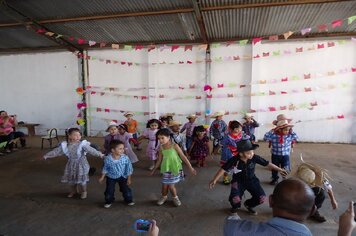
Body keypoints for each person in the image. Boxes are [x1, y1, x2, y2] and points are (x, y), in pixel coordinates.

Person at [209, 139, 288, 215]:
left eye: (252, 152)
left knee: (262, 198)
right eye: (249, 153)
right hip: (237, 181)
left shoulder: (254, 157)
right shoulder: (234, 160)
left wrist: (279, 169)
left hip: (252, 180)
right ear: (240, 153)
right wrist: (214, 179)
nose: (252, 154)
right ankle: (235, 207)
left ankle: (249, 204)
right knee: (235, 198)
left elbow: (267, 164)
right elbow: (223, 169)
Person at [223, 178, 315, 236]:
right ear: (312, 211)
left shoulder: (238, 230)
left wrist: (233, 217)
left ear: (270, 201)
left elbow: (230, 224)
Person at [43, 128, 104, 199]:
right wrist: (46, 155)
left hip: (81, 164)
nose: (78, 137)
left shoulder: (82, 144)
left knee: (82, 180)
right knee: (72, 180)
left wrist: (100, 154)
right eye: (75, 135)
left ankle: (84, 191)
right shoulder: (65, 145)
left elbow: (91, 150)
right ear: (69, 136)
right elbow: (56, 151)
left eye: (79, 135)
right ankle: (73, 191)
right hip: (71, 164)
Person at [150, 128, 196, 207]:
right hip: (166, 169)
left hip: (175, 168)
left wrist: (190, 168)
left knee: (171, 186)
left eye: (162, 138)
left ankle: (175, 197)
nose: (160, 140)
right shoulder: (161, 148)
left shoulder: (175, 146)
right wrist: (154, 170)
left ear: (168, 137)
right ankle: (164, 196)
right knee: (164, 185)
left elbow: (183, 157)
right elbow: (159, 160)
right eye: (159, 138)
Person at [98, 140, 134, 208]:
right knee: (109, 190)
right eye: (120, 149)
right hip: (111, 177)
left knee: (125, 189)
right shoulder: (108, 159)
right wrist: (102, 177)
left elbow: (129, 168)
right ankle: (109, 201)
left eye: (123, 148)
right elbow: (105, 168)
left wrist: (129, 178)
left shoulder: (125, 158)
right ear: (113, 150)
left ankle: (129, 200)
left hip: (123, 176)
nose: (122, 150)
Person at [264, 119, 298, 185]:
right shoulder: (274, 136)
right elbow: (265, 138)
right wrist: (272, 131)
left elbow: (296, 137)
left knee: (286, 167)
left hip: (285, 155)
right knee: (275, 167)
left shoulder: (289, 136)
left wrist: (291, 131)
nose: (287, 131)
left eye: (288, 130)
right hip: (275, 155)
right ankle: (275, 178)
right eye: (286, 130)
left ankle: (285, 179)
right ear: (279, 129)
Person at [220, 120, 249, 184]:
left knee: (237, 167)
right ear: (235, 129)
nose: (241, 129)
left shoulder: (241, 135)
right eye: (239, 128)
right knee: (227, 166)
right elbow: (223, 144)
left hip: (238, 153)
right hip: (228, 153)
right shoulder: (227, 136)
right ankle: (225, 178)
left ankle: (236, 179)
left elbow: (245, 140)